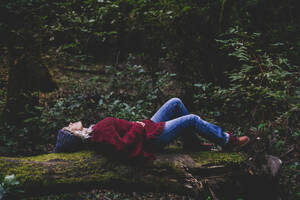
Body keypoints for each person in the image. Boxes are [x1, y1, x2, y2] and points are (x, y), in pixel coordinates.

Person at [54, 98, 250, 162]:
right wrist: (137, 128)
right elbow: (122, 148)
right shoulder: (98, 134)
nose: (71, 123)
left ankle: (192, 143)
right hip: (149, 138)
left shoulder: (94, 131)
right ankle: (228, 141)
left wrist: (138, 126)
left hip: (146, 129)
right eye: (69, 127)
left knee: (175, 103)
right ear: (74, 135)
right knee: (191, 119)